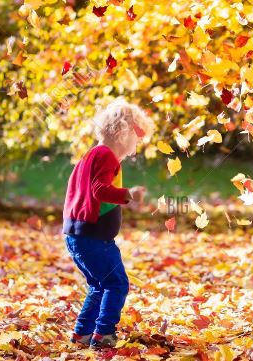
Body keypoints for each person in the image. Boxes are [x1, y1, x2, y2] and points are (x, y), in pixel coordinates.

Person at [62, 99, 154, 349]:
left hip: (78, 235)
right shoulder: (106, 156)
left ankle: (82, 334)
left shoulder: (93, 154)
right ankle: (103, 335)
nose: (138, 144)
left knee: (98, 285)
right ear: (123, 132)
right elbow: (100, 190)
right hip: (93, 238)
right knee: (116, 283)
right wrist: (128, 194)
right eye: (137, 136)